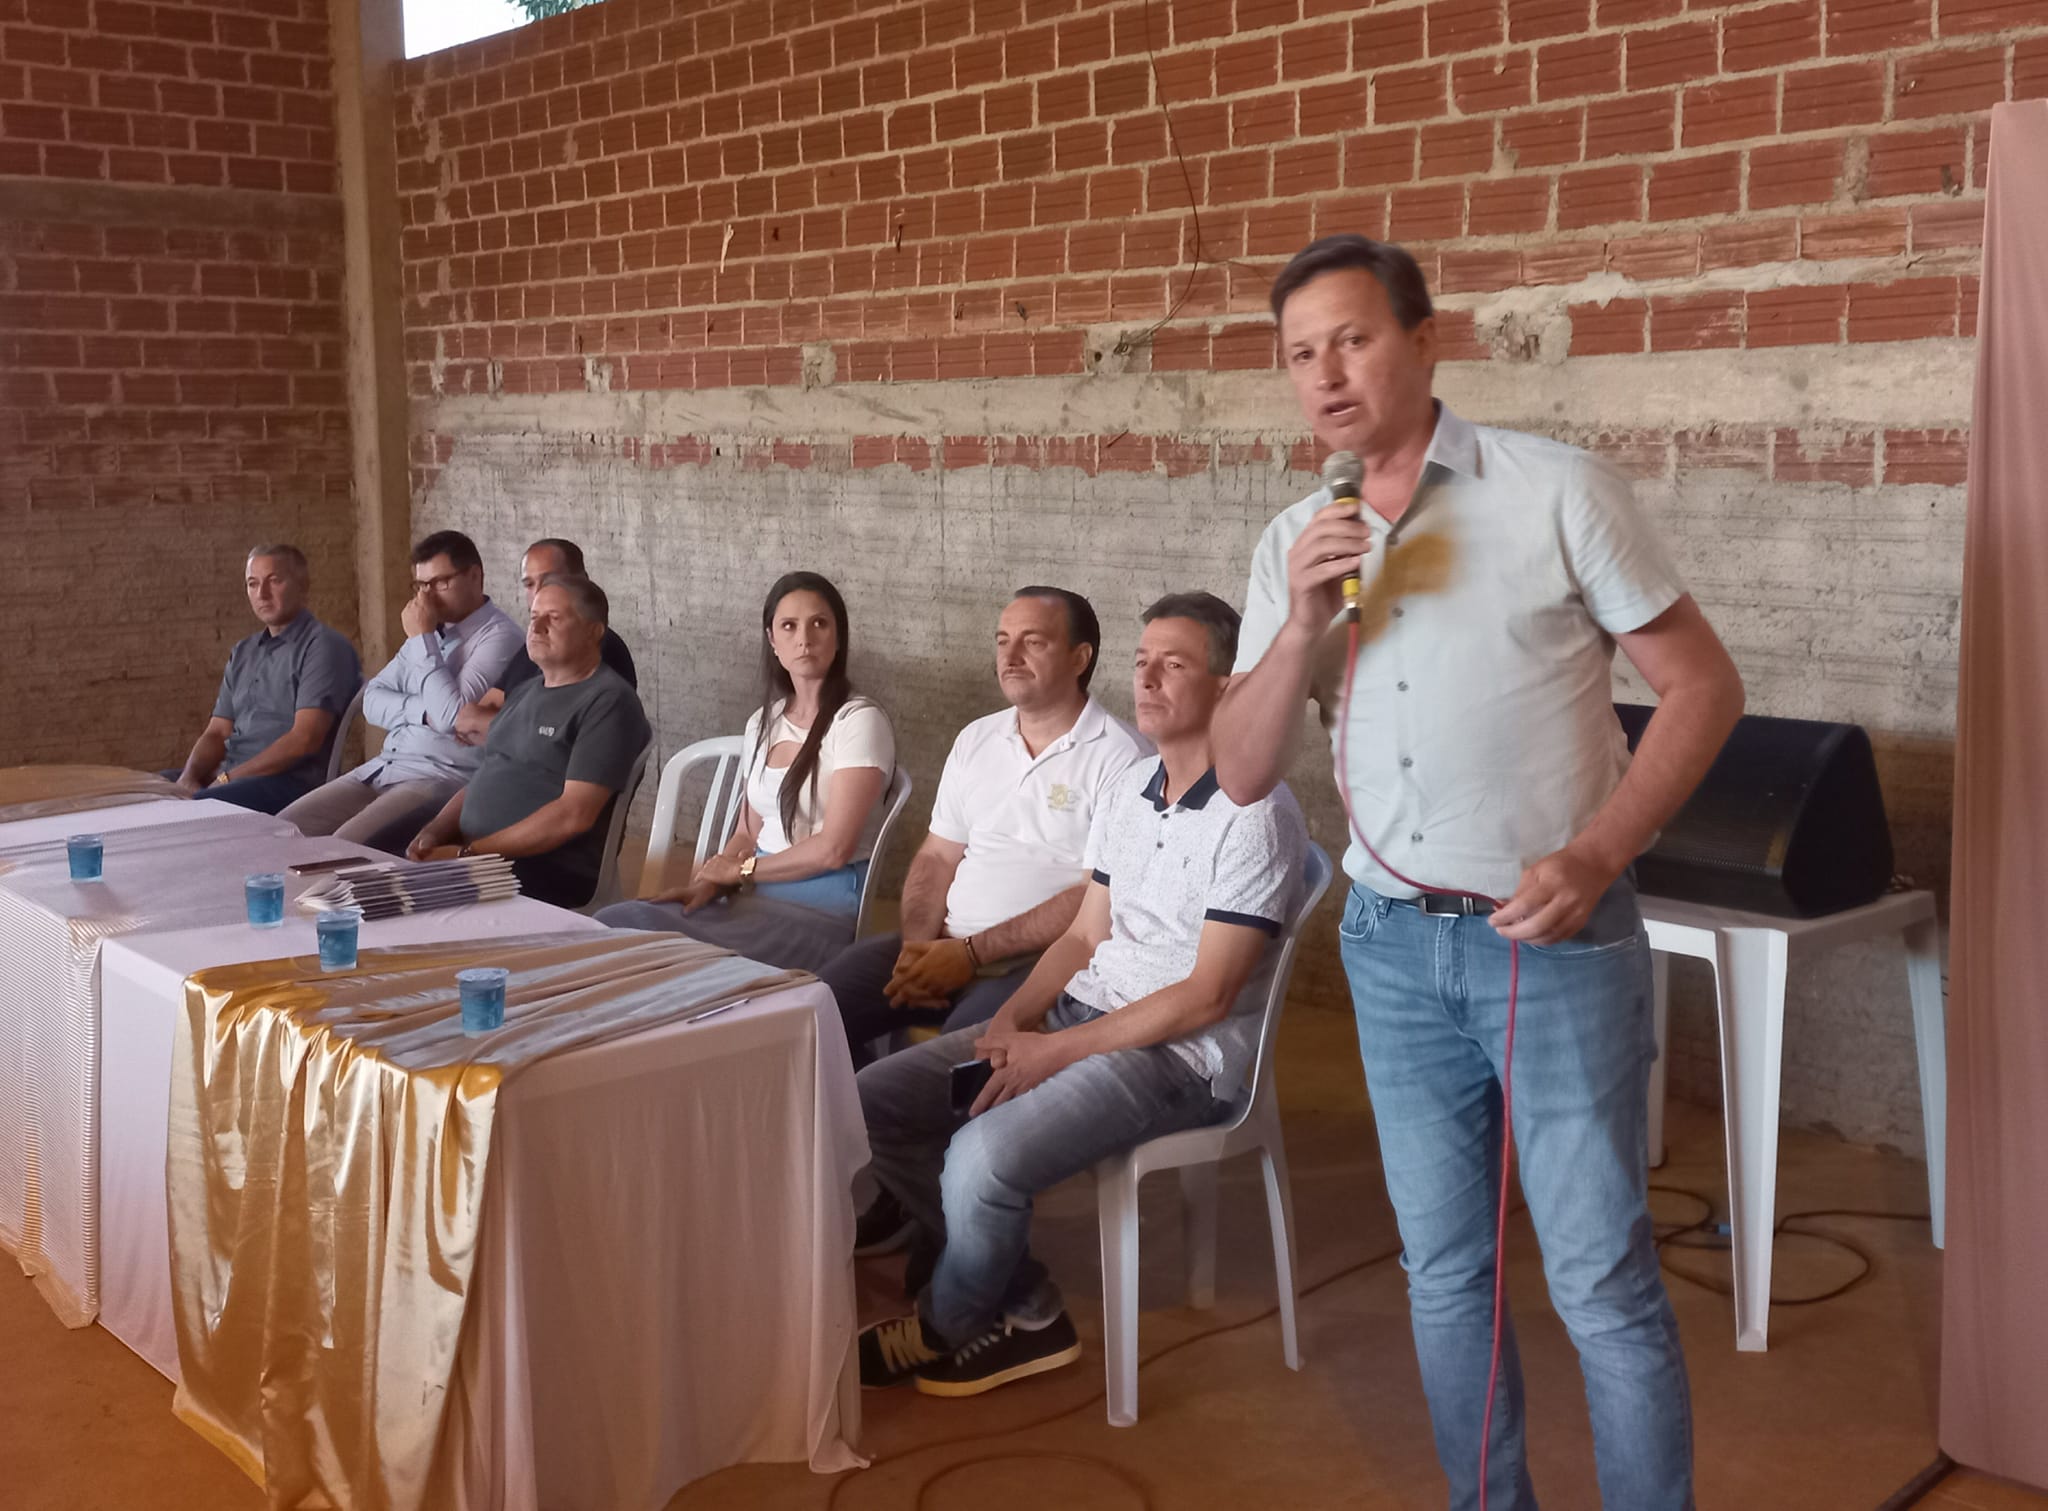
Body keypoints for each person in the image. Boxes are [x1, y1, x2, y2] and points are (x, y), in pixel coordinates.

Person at [1214, 234, 1745, 1510]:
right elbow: (1236, 768)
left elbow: (1701, 687)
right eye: (1299, 354)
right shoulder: (1296, 539)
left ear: (1421, 339)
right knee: (1445, 1272)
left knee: (1597, 1276)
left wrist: (1599, 849)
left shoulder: (1554, 489)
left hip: (1549, 939)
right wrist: (1297, 627)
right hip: (1389, 947)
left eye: (1351, 340)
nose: (1324, 375)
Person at [854, 594, 1306, 1400]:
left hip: (1175, 1056)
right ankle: (1022, 1300)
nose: (1148, 678)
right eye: (1142, 660)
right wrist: (1012, 1017)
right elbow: (1084, 933)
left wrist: (1052, 1050)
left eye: (1174, 663)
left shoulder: (1257, 814)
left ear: (1230, 687)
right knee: (872, 1105)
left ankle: (951, 1321)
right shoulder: (1133, 786)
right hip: (1081, 1013)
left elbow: (1207, 995)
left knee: (981, 1158)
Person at [820, 587, 1151, 1070]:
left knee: (950, 1064)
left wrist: (970, 955)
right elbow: (937, 856)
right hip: (943, 942)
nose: (1010, 656)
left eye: (1032, 642)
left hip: (1035, 963)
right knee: (813, 1011)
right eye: (1002, 641)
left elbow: (1093, 898)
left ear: (1080, 658)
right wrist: (919, 948)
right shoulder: (976, 738)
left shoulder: (1123, 757)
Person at [598, 571, 894, 974]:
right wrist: (710, 881)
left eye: (819, 624)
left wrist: (742, 870)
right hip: (750, 896)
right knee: (616, 922)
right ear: (772, 639)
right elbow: (747, 833)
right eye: (789, 626)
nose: (804, 638)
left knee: (677, 963)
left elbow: (834, 849)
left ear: (839, 636)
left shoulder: (858, 721)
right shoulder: (764, 721)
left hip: (816, 911)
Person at [408, 575, 650, 909]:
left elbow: (574, 814)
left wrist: (469, 854)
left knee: (409, 908)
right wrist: (434, 832)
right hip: (482, 857)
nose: (536, 628)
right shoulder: (525, 692)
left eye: (554, 618)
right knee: (377, 882)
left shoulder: (607, 702)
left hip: (544, 868)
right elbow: (487, 776)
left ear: (594, 632)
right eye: (534, 617)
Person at [280, 530, 523, 853]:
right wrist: (422, 713)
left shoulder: (499, 637)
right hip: (383, 767)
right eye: (421, 585)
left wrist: (422, 638)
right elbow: (371, 699)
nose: (427, 597)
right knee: (280, 832)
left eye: (439, 582)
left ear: (475, 576)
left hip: (438, 776)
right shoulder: (429, 631)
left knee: (341, 850)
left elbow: (452, 718)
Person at [165, 544, 360, 814]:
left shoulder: (323, 646)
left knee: (194, 809)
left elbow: (304, 740)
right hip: (232, 775)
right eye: (252, 584)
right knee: (146, 791)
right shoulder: (243, 651)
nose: (262, 594)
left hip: (289, 784)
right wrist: (188, 778)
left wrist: (226, 780)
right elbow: (217, 732)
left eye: (274, 581)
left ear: (303, 585)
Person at [454, 537, 638, 748]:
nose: (539, 592)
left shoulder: (598, 648)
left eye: (551, 581)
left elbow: (554, 740)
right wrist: (505, 728)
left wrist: (493, 727)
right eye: (529, 584)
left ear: (582, 582)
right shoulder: (537, 643)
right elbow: (477, 713)